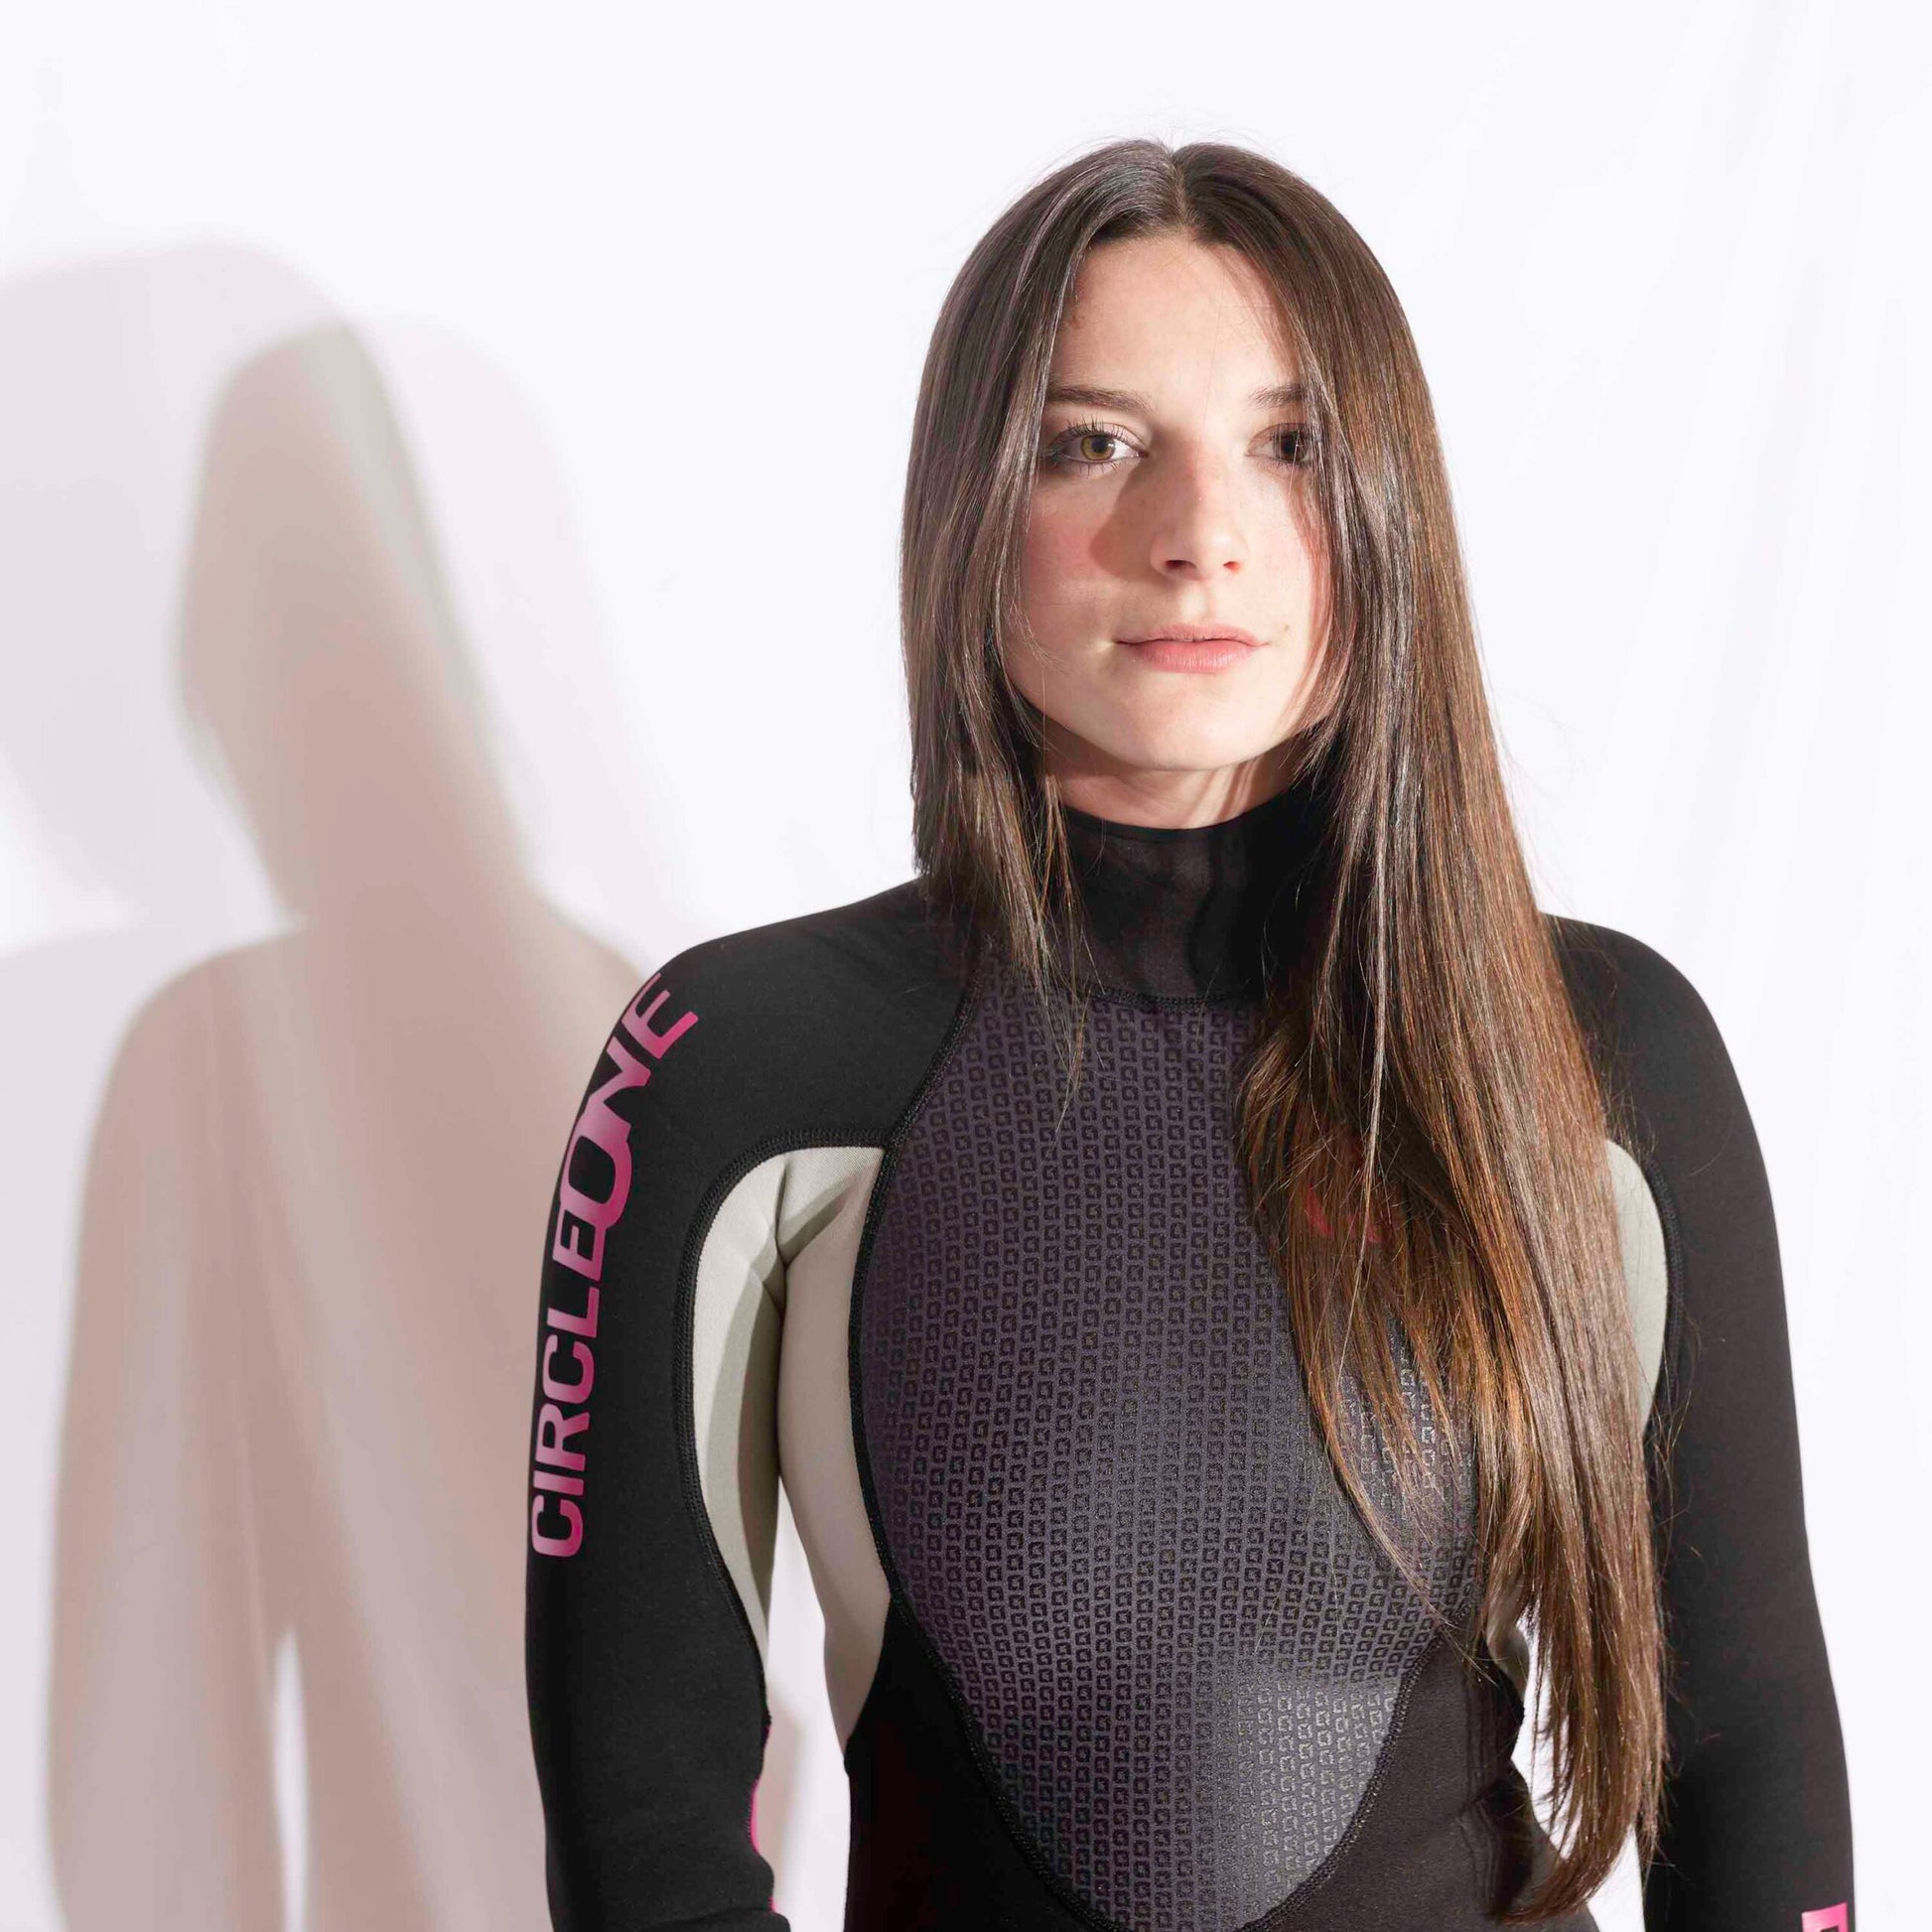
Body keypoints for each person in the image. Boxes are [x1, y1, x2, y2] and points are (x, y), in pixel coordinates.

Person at [520, 138, 1854, 1931]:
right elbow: (643, 1824)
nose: (1197, 532)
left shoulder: (1602, 1052)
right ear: (969, 500)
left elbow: (1746, 1751)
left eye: (1287, 444)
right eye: (1092, 442)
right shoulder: (739, 1067)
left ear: (1381, 505)